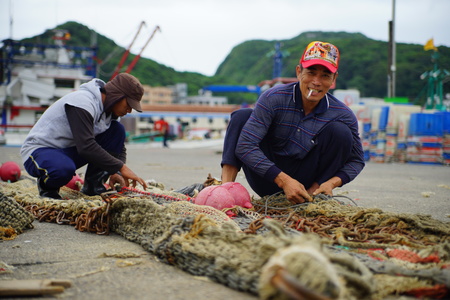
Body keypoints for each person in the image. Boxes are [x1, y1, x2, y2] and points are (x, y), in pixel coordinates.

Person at [221, 41, 365, 204]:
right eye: (311, 73)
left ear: (333, 79)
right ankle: (225, 188)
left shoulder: (343, 114)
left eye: (325, 75)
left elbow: (357, 160)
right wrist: (284, 180)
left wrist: (330, 183)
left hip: (306, 184)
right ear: (299, 72)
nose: (316, 82)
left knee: (341, 132)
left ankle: (312, 197)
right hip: (267, 175)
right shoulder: (272, 98)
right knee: (241, 116)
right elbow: (246, 145)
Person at [20, 73, 148, 199]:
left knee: (117, 130)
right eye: (128, 104)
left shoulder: (109, 115)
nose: (129, 110)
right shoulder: (82, 101)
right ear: (117, 95)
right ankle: (47, 188)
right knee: (62, 170)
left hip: (69, 151)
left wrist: (116, 172)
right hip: (39, 152)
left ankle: (93, 187)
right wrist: (121, 167)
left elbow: (119, 147)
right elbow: (86, 146)